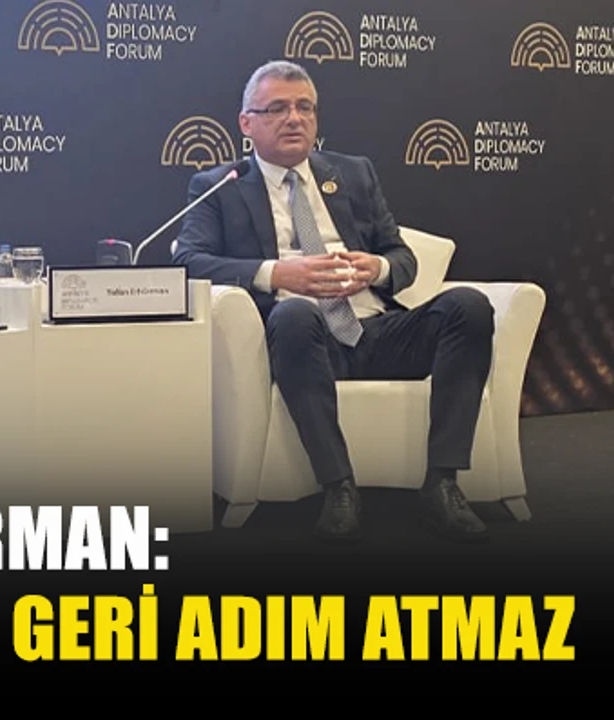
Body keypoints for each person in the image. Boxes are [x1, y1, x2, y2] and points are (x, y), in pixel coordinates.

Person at [172, 60, 495, 544]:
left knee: (468, 307)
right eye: (277, 109)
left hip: (375, 328)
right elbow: (189, 261)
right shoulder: (220, 186)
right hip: (301, 340)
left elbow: (400, 255)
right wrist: (277, 274)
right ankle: (339, 486)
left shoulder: (354, 173)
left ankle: (443, 483)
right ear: (246, 123)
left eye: (304, 108)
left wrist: (376, 268)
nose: (294, 119)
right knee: (295, 312)